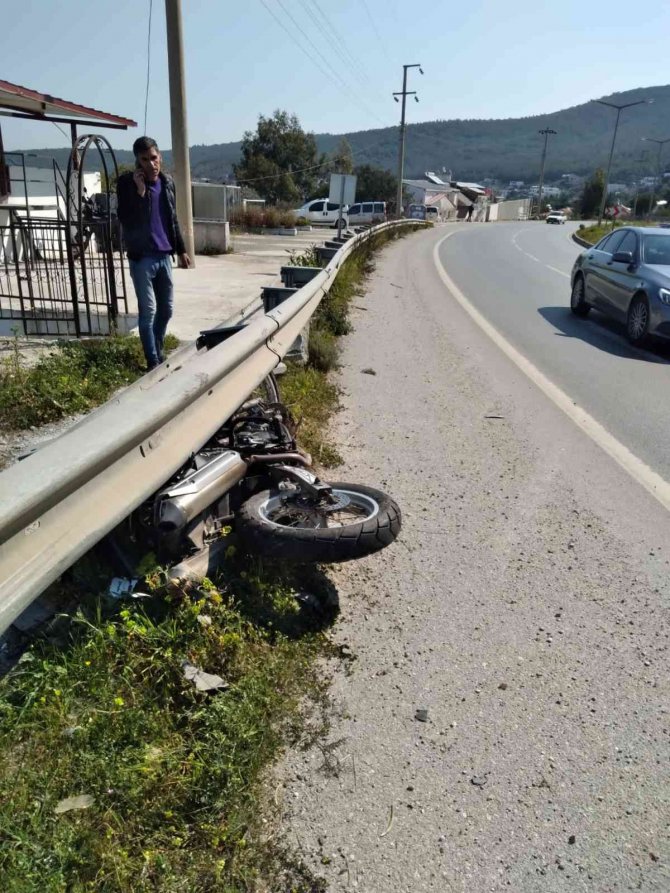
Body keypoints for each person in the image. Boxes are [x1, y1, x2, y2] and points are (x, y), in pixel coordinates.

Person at [117, 136, 192, 370]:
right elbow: (125, 219)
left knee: (166, 309)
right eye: (144, 160)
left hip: (163, 255)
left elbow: (172, 218)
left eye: (154, 158)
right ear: (138, 162)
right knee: (148, 311)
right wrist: (140, 193)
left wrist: (181, 250)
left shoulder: (167, 183)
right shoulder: (126, 184)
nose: (151, 164)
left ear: (160, 157)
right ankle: (153, 361)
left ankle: (157, 349)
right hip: (142, 258)